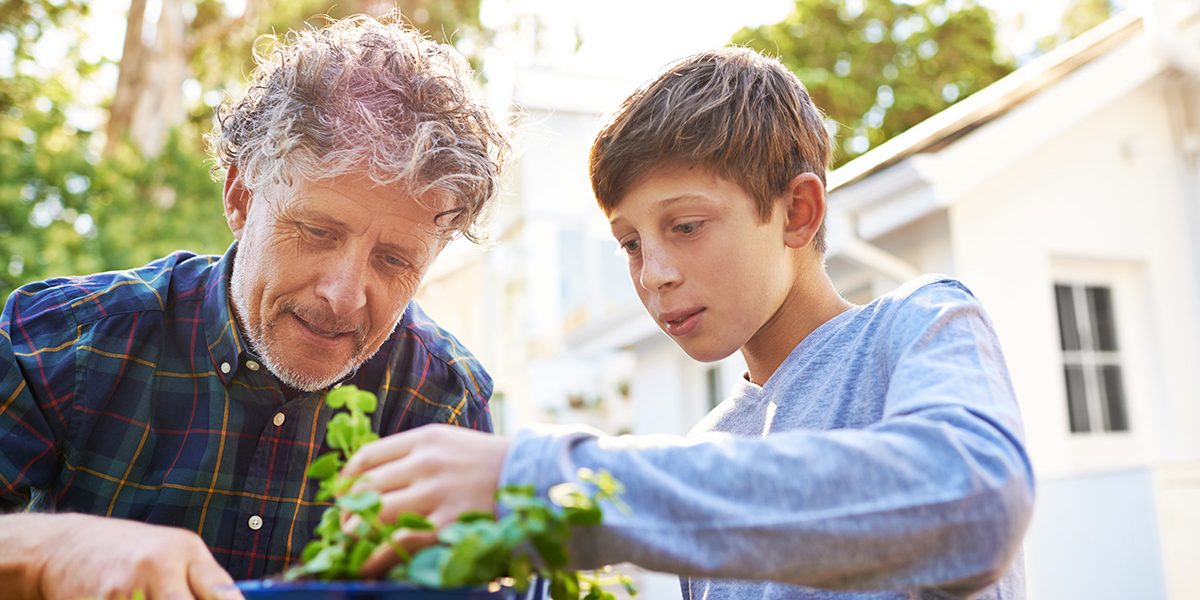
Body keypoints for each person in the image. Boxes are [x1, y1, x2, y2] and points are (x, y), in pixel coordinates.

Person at [343, 48, 1035, 599]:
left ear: (797, 212)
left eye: (687, 226)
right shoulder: (711, 443)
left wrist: (546, 484)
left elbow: (975, 502)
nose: (654, 273)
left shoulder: (918, 326)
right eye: (631, 243)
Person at [0, 12, 508, 600]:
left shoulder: (445, 400)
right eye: (318, 231)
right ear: (241, 197)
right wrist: (51, 550)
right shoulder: (70, 341)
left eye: (394, 261)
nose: (344, 296)